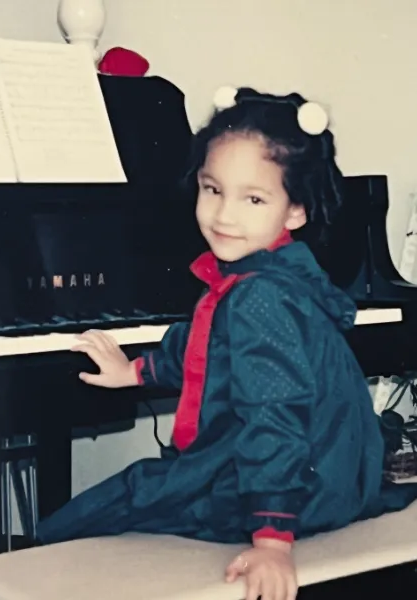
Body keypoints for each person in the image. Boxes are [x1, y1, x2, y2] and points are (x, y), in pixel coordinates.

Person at [34, 86, 417, 600]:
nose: (223, 215)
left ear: (296, 210)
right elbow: (205, 348)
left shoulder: (258, 298)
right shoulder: (274, 271)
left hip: (288, 491)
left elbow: (275, 415)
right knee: (126, 499)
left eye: (253, 198)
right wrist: (136, 372)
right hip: (333, 476)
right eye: (212, 189)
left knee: (93, 513)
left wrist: (273, 542)